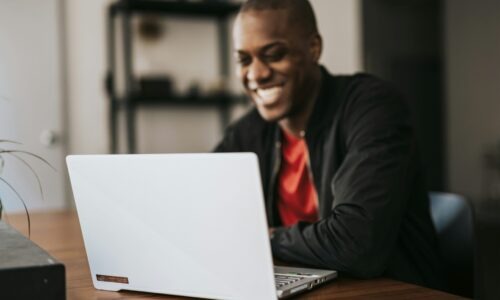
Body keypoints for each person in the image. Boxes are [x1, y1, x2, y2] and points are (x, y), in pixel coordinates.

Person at [215, 0, 444, 290]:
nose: (257, 74)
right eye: (244, 60)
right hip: (306, 288)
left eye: (273, 54)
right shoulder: (247, 131)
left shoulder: (373, 107)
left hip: (390, 291)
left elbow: (356, 245)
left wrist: (266, 237)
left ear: (313, 48)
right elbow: (207, 217)